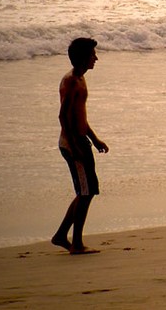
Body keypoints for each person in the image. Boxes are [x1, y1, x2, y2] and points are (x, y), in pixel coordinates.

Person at [52, 37, 109, 254]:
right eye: (93, 54)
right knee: (85, 192)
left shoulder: (81, 79)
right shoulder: (71, 81)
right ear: (84, 57)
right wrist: (75, 145)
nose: (96, 58)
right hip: (72, 143)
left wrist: (94, 140)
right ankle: (76, 243)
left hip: (81, 141)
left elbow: (79, 118)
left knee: (87, 191)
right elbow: (63, 116)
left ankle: (61, 235)